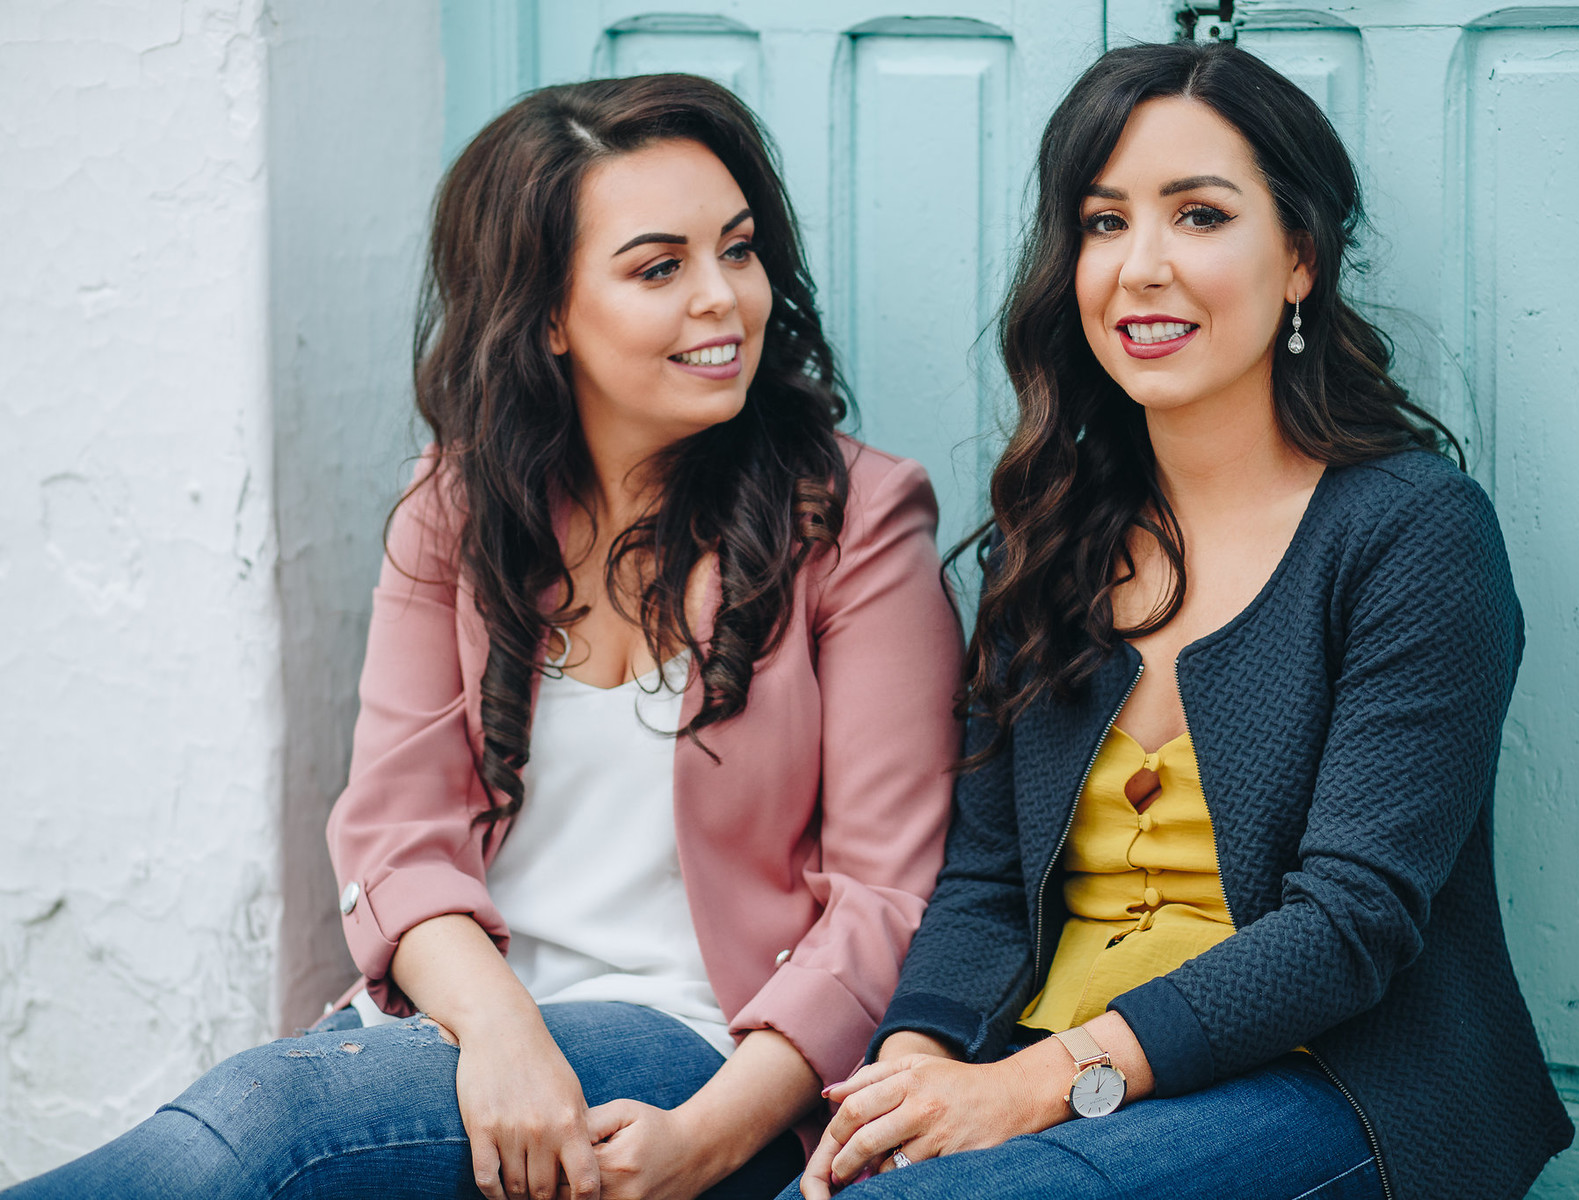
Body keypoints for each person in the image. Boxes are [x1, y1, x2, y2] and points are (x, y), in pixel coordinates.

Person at [9, 74, 962, 1200]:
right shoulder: (457, 506)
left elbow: (890, 899)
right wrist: (504, 1033)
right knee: (268, 1124)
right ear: (548, 314)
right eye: (659, 268)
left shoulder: (854, 520)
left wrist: (707, 1143)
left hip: (695, 1047)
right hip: (465, 1024)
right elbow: (397, 833)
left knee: (277, 1127)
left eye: (738, 251)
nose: (723, 299)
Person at [792, 40, 1573, 1200]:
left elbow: (1350, 924)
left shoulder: (1414, 533)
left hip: (1330, 1086)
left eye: (1199, 216)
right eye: (1103, 224)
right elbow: (987, 881)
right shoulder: (1050, 536)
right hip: (1040, 1071)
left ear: (1301, 256)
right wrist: (911, 1073)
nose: (1140, 268)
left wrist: (1038, 1085)